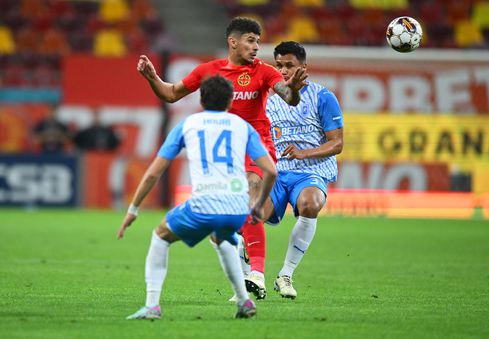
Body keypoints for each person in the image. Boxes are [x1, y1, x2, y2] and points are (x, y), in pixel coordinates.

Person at [137, 17, 307, 299]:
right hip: (226, 150)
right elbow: (171, 94)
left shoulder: (264, 72)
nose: (256, 46)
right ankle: (244, 281)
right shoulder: (210, 70)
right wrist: (151, 77)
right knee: (231, 216)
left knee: (252, 190)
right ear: (233, 42)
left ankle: (257, 274)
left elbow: (287, 94)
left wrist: (295, 90)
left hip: (257, 144)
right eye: (251, 40)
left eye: (257, 41)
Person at [117, 75, 277, 319]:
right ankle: (244, 301)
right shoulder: (242, 126)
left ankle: (151, 306)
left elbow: (153, 173)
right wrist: (256, 206)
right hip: (236, 207)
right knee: (223, 238)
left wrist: (133, 209)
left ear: (201, 99)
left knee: (160, 236)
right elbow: (271, 170)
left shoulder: (187, 125)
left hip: (205, 203)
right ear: (230, 100)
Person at [261, 41, 344, 299]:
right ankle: (249, 279)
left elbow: (337, 143)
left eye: (289, 65)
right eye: (279, 66)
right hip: (277, 172)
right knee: (250, 215)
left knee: (310, 204)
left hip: (311, 171)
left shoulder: (323, 97)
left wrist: (304, 152)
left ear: (303, 68)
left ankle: (285, 275)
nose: (283, 71)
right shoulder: (269, 101)